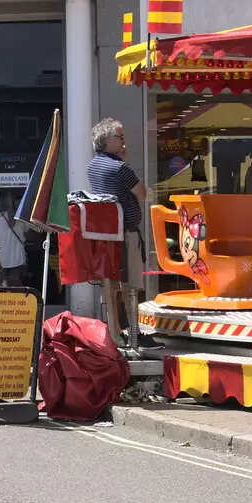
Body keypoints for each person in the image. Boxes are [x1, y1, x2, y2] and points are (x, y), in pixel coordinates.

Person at [86, 117, 158, 348]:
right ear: (108, 140)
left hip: (106, 235)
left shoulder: (93, 166)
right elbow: (142, 194)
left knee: (112, 285)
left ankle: (116, 331)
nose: (124, 141)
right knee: (131, 286)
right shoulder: (119, 167)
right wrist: (124, 162)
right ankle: (135, 334)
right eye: (121, 137)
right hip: (127, 233)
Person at [0, 194, 28, 288]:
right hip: (18, 257)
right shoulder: (20, 217)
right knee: (16, 285)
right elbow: (27, 232)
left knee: (2, 285)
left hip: (1, 257)